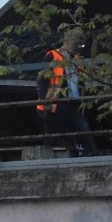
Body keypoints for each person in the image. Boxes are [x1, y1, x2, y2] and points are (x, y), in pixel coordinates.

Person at [36, 28, 97, 156]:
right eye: (77, 44)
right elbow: (42, 80)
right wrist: (44, 99)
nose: (79, 47)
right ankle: (45, 158)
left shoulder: (77, 61)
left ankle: (89, 156)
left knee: (83, 131)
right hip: (56, 103)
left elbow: (80, 82)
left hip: (73, 103)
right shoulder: (52, 56)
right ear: (67, 42)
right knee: (54, 133)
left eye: (82, 45)